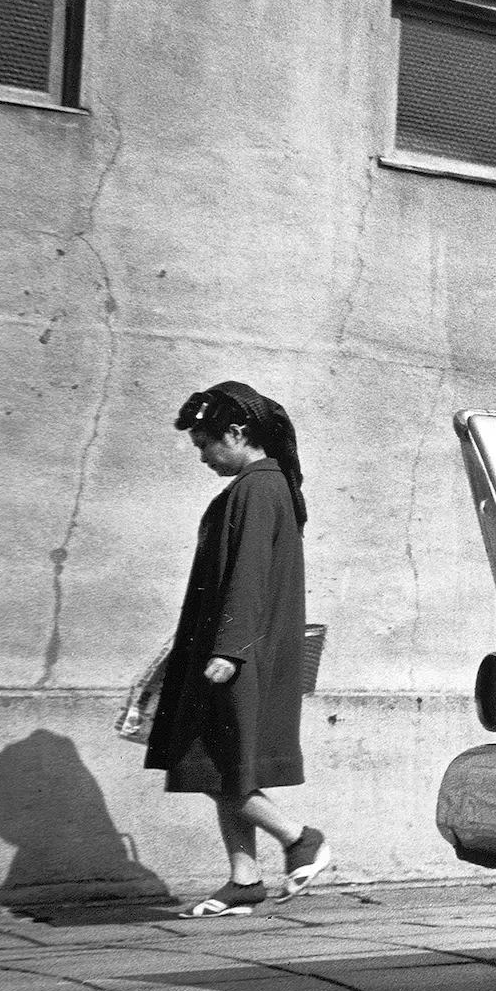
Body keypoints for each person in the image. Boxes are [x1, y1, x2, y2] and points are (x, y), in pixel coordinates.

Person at [147, 381, 332, 916]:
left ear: (237, 432)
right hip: (236, 647)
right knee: (220, 764)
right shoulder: (260, 486)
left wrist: (228, 650)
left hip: (235, 653)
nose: (203, 455)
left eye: (206, 443)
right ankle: (244, 879)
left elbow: (248, 575)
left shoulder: (257, 487)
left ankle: (301, 839)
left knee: (211, 761)